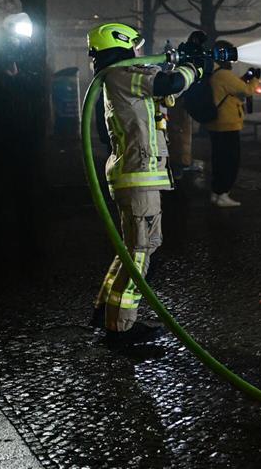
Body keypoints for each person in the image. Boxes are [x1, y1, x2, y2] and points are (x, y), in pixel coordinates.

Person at [88, 23, 203, 345]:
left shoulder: (119, 76)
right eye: (135, 46)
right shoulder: (121, 74)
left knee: (133, 250)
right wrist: (195, 66)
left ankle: (107, 314)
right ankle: (121, 329)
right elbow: (170, 81)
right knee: (140, 253)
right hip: (137, 176)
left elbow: (166, 89)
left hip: (137, 175)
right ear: (121, 45)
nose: (140, 51)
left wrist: (190, 59)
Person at [204, 41, 260, 208]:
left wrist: (246, 78)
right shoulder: (224, 75)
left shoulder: (214, 73)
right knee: (230, 161)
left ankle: (216, 192)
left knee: (218, 160)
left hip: (216, 124)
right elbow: (247, 91)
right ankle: (223, 193)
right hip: (227, 124)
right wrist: (255, 79)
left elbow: (233, 88)